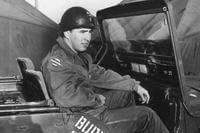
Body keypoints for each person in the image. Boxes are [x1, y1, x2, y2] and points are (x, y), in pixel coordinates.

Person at [41, 6, 169, 133]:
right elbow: (66, 97)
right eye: (82, 32)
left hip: (87, 108)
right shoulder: (57, 61)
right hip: (80, 117)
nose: (87, 37)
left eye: (89, 32)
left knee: (126, 93)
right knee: (147, 116)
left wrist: (133, 85)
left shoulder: (76, 56)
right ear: (67, 33)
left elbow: (100, 74)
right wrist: (96, 99)